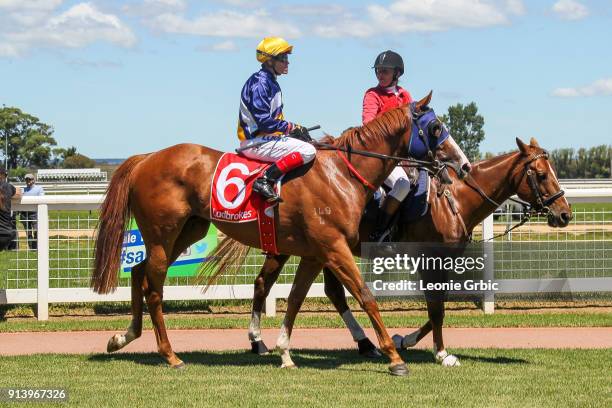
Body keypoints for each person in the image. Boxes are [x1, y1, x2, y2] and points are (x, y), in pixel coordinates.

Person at [237, 37, 316, 203]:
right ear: (270, 60)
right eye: (283, 58)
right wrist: (291, 127)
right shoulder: (260, 83)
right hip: (255, 142)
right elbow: (264, 122)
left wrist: (293, 131)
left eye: (287, 58)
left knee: (313, 144)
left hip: (266, 139)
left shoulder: (271, 82)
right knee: (308, 151)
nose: (287, 63)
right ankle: (265, 179)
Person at [362, 50, 414, 242]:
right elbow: (368, 124)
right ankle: (379, 232)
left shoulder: (405, 95)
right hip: (381, 156)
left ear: (396, 74)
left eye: (384, 71)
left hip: (403, 156)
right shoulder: (372, 94)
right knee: (402, 185)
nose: (380, 74)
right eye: (378, 71)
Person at [19, 173, 44, 250]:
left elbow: (42, 199)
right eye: (26, 179)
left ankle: (37, 247)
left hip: (35, 213)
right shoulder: (23, 190)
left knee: (37, 231)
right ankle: (32, 248)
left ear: (33, 180)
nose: (28, 181)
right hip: (24, 213)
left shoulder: (39, 189)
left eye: (29, 179)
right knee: (28, 232)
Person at [0, 167, 21, 251]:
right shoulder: (8, 187)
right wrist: (8, 196)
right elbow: (19, 193)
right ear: (5, 176)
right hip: (6, 234)